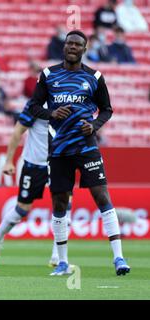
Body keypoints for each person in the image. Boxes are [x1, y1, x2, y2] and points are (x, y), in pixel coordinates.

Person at [27, 30, 130, 276]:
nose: (72, 47)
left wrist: (94, 125)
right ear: (64, 47)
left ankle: (119, 258)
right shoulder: (49, 75)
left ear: (84, 49)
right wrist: (51, 113)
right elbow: (32, 107)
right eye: (69, 43)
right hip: (59, 149)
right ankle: (62, 262)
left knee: (101, 196)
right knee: (60, 201)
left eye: (78, 44)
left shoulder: (94, 77)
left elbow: (107, 109)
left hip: (86, 147)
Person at [0, 103, 72, 267]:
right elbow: (18, 130)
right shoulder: (37, 105)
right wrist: (8, 161)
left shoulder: (68, 102)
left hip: (59, 163)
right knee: (22, 210)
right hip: (35, 164)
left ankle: (57, 256)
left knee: (64, 207)